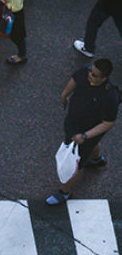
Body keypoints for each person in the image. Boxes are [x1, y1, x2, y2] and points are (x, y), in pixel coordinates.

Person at [50, 58, 117, 205]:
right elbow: (75, 79)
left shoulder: (109, 97)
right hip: (74, 124)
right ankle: (96, 160)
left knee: (73, 163)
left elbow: (108, 123)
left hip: (85, 133)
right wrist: (64, 94)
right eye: (90, 71)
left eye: (94, 75)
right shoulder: (86, 72)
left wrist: (85, 136)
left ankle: (65, 191)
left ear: (104, 78)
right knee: (91, 146)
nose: (89, 75)